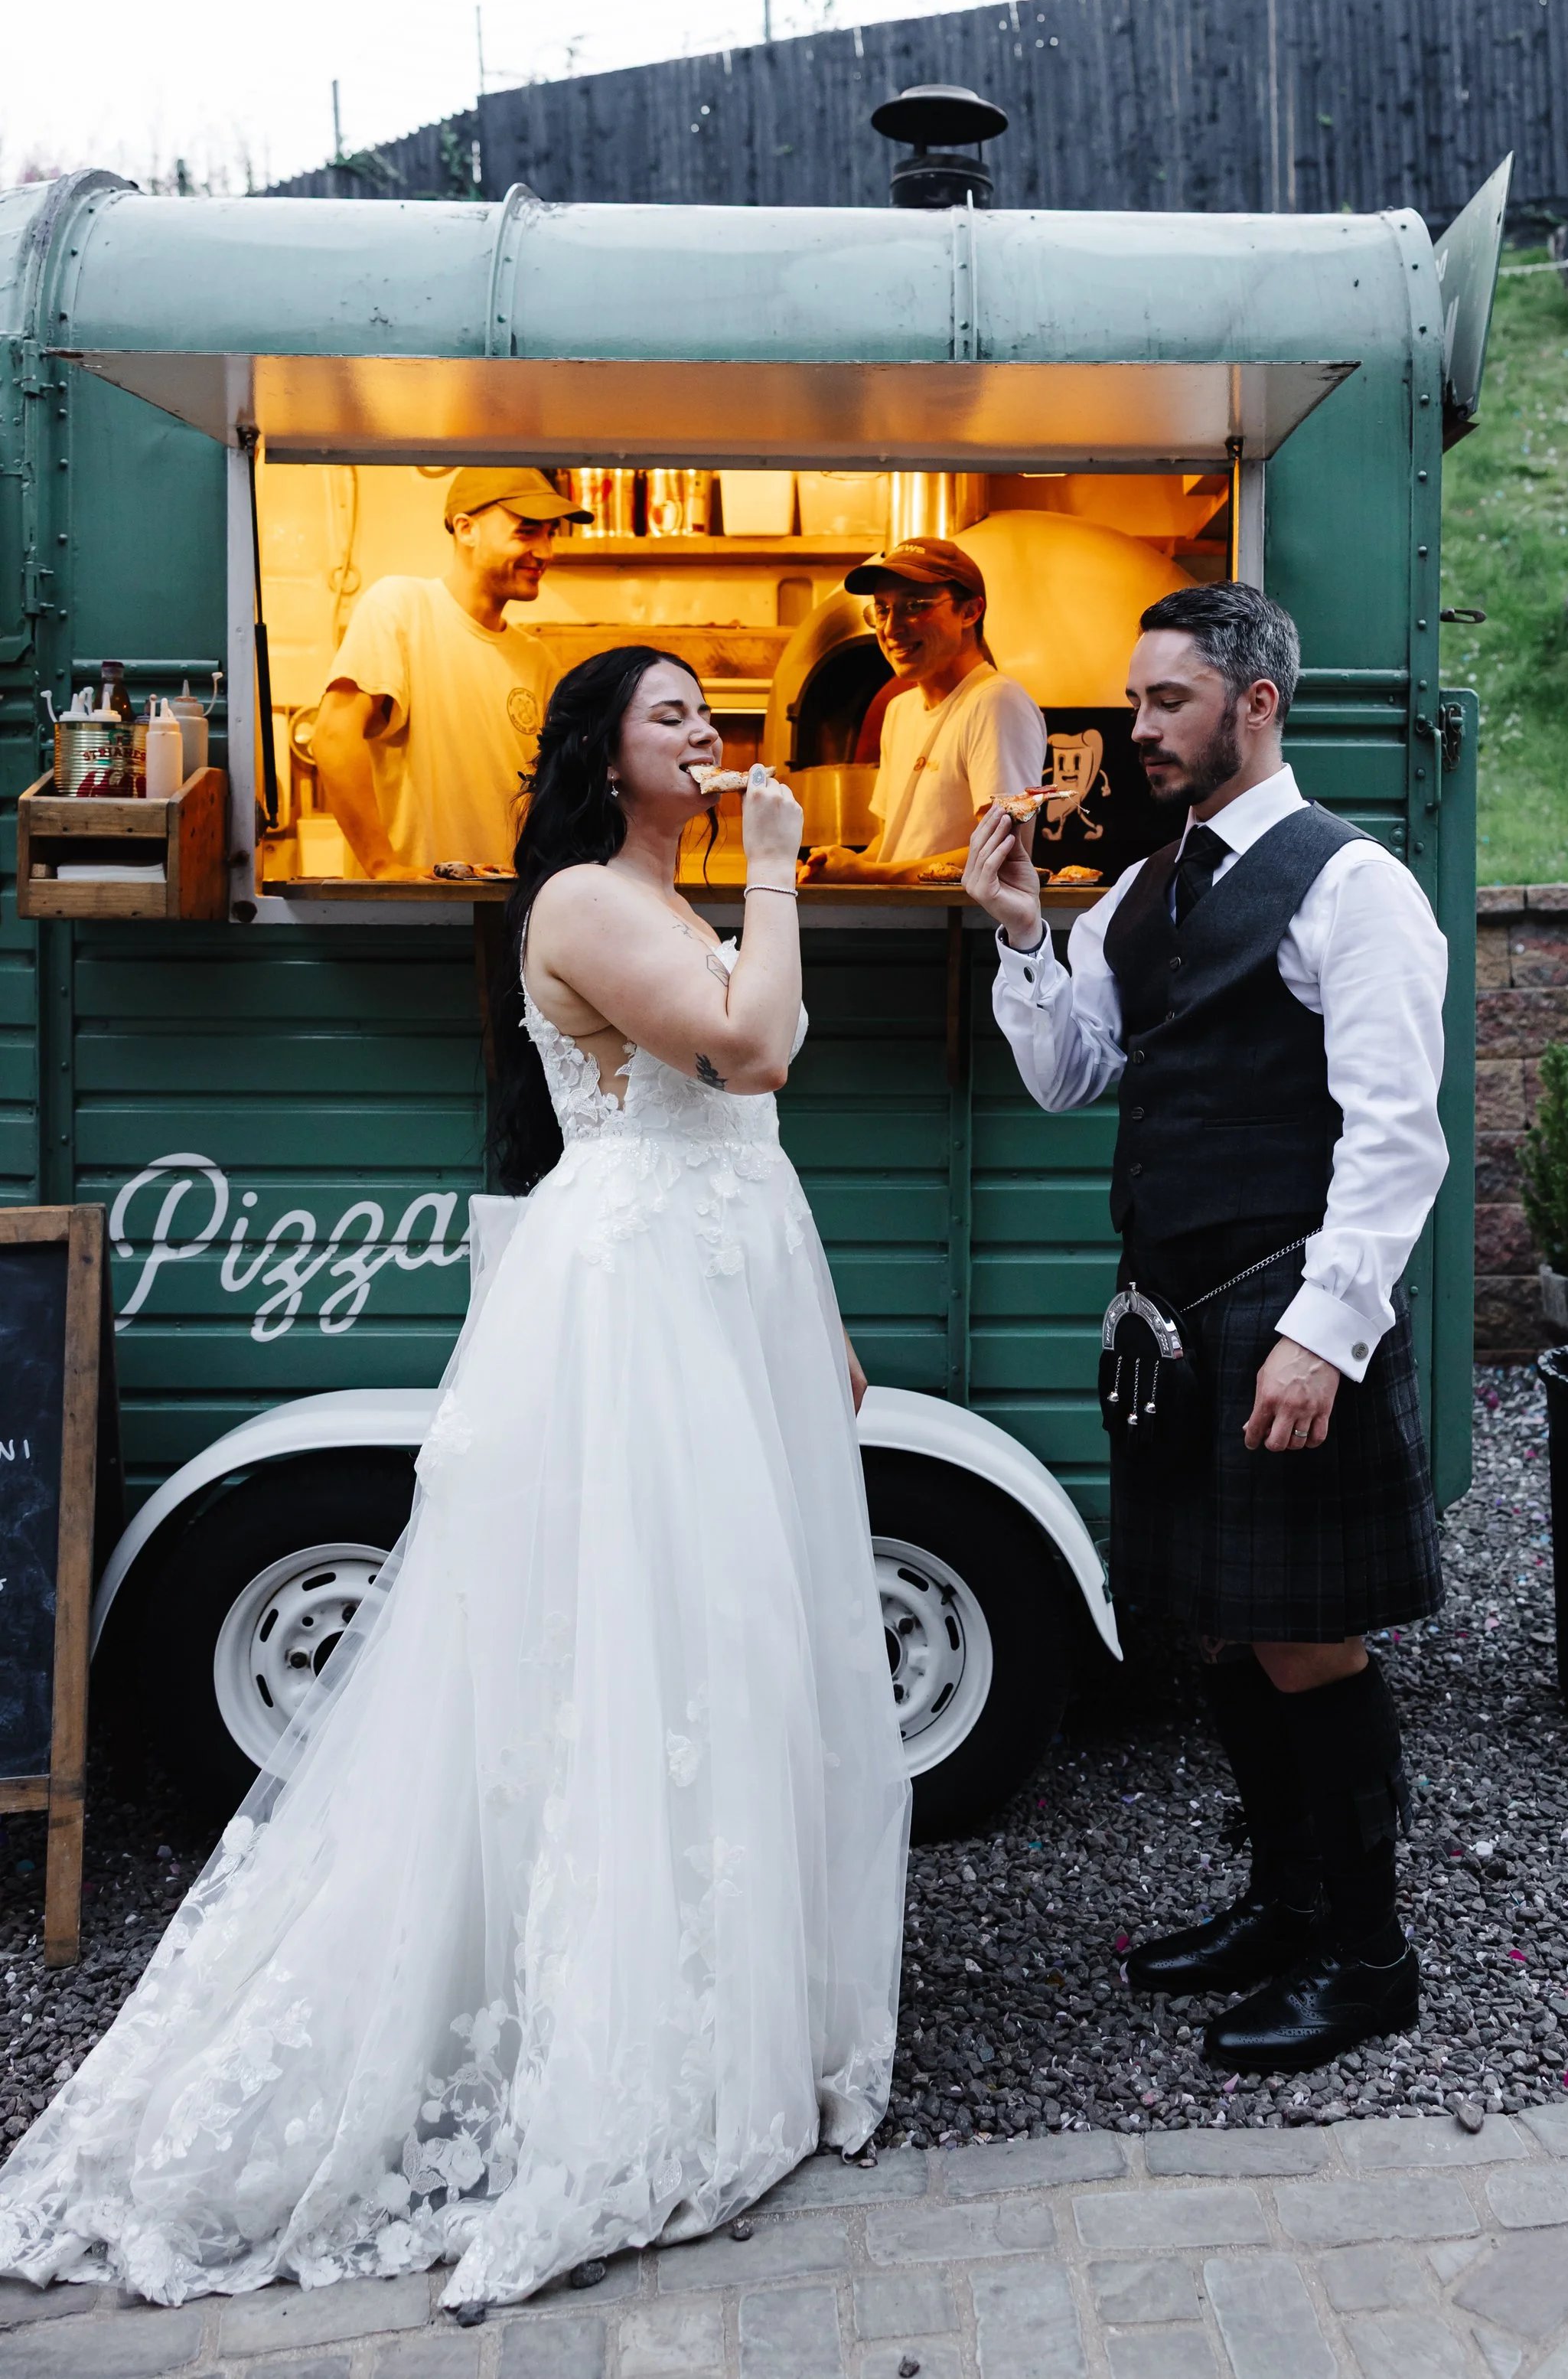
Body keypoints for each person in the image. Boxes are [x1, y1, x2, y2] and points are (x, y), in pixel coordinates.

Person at [0, 648, 909, 2312]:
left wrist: (826, 1316)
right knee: (632, 1653)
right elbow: (752, 1051)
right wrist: (780, 863)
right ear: (597, 753)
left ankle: (727, 2019)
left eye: (710, 712)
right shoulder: (580, 899)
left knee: (736, 1650)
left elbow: (748, 1139)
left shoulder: (649, 888)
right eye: (669, 715)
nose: (705, 733)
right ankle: (611, 2043)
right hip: (636, 1315)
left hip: (731, 1298)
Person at [963, 580, 1448, 2074]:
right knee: (1228, 1632)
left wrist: (1326, 1333)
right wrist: (1021, 942)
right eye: (1133, 702)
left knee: (1307, 1640)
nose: (1137, 730)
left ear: (1254, 704)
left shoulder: (1349, 885)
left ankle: (1366, 1957)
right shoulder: (1147, 888)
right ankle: (1280, 1906)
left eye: (1165, 702)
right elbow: (1070, 1076)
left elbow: (1396, 1136)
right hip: (1172, 1320)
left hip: (1282, 1311)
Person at [310, 465, 588, 877]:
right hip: (416, 908)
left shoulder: (537, 660)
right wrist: (383, 866)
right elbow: (333, 735)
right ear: (466, 529)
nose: (547, 551)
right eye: (527, 531)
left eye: (551, 533)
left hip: (508, 905)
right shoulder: (401, 608)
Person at [802, 537, 1046, 880]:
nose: (891, 628)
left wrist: (867, 876)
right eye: (882, 610)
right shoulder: (900, 710)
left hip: (955, 930)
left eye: (914, 606)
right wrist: (846, 864)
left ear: (969, 611)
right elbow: (892, 844)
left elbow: (1004, 855)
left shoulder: (996, 702)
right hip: (903, 925)